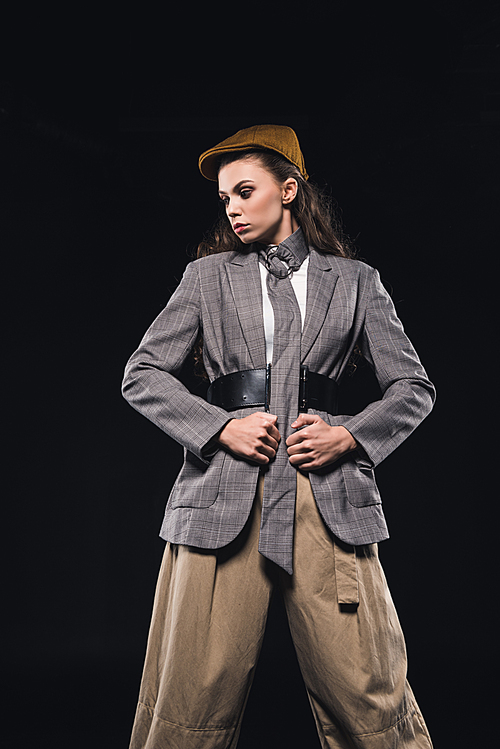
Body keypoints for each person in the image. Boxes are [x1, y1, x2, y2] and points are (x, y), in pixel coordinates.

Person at [122, 124, 435, 748]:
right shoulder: (205, 278)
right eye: (224, 198)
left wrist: (347, 436)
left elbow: (412, 390)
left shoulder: (356, 282)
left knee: (369, 691)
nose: (233, 208)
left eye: (245, 191)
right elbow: (143, 374)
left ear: (289, 190)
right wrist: (219, 427)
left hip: (328, 499)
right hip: (220, 500)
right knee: (189, 695)